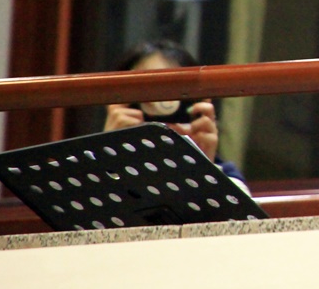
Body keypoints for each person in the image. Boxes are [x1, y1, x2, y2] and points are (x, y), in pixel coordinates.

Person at [104, 38, 251, 193]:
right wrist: (109, 156)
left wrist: (202, 168)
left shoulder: (229, 180)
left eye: (175, 94)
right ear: (117, 105)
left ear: (200, 104)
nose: (162, 106)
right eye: (146, 93)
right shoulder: (91, 168)